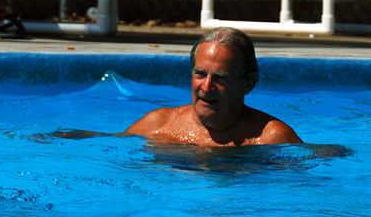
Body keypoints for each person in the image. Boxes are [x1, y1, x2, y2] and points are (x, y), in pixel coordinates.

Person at [124, 28, 303, 147]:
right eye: (200, 74)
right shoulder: (159, 125)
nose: (207, 86)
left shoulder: (271, 138)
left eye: (221, 77)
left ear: (248, 83)